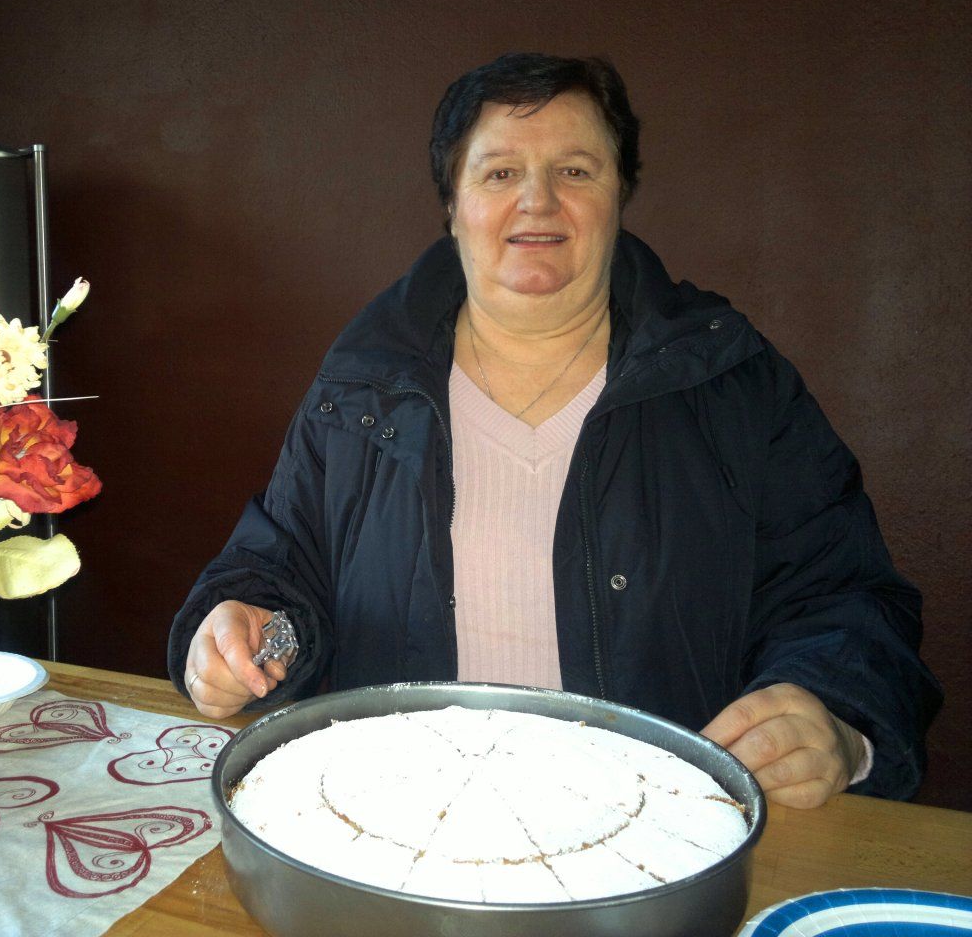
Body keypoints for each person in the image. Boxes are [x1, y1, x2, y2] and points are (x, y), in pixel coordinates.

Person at [167, 54, 941, 806]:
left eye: (575, 170)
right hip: (401, 820)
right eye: (500, 173)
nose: (537, 201)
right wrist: (248, 639)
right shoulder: (361, 388)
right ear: (452, 205)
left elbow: (845, 598)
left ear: (620, 194)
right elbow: (276, 575)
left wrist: (832, 714)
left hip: (665, 833)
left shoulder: (733, 383)